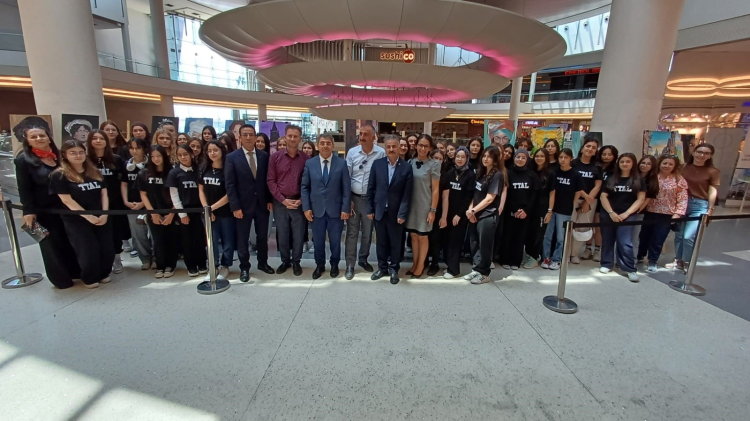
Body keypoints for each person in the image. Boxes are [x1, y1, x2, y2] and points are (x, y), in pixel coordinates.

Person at [14, 117, 81, 289]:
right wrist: (28, 211)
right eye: (34, 137)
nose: (39, 139)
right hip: (44, 210)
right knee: (51, 245)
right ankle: (61, 280)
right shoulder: (23, 160)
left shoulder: (59, 156)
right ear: (27, 140)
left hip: (66, 208)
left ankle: (76, 271)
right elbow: (24, 188)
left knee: (70, 241)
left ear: (48, 137)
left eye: (42, 135)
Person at [50, 139, 114, 288]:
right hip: (77, 219)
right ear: (65, 155)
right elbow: (66, 200)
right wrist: (88, 216)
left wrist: (104, 213)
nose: (78, 156)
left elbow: (104, 194)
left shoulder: (94, 171)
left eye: (80, 152)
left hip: (101, 216)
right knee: (87, 249)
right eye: (73, 153)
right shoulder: (59, 175)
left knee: (106, 247)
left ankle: (104, 273)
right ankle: (90, 277)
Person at [225, 124, 275, 282]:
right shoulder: (232, 157)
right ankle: (244, 267)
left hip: (262, 204)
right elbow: (230, 185)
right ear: (239, 137)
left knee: (262, 236)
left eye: (251, 134)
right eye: (245, 135)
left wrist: (269, 200)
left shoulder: (264, 156)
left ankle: (263, 263)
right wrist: (235, 206)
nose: (248, 137)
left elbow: (268, 180)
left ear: (255, 137)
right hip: (242, 206)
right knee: (242, 238)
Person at [302, 134, 351, 279]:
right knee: (318, 241)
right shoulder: (310, 163)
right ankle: (320, 265)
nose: (325, 146)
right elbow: (305, 187)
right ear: (318, 145)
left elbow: (346, 189)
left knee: (335, 241)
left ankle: (335, 264)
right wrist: (306, 207)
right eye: (322, 143)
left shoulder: (341, 163)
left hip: (336, 210)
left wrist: (345, 208)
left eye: (328, 143)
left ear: (332, 145)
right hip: (316, 210)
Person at [367, 135, 413, 285]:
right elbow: (371, 188)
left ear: (399, 148)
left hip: (396, 213)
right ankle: (382, 268)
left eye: (394, 146)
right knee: (381, 242)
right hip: (379, 211)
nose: (391, 149)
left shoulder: (406, 167)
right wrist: (370, 209)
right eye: (388, 147)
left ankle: (394, 269)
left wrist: (402, 213)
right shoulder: (377, 164)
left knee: (395, 243)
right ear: (385, 148)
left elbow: (407, 194)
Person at [668, 143, 720, 273]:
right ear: (693, 152)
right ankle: (678, 260)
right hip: (681, 203)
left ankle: (687, 261)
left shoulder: (713, 171)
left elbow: (712, 191)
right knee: (679, 235)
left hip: (699, 205)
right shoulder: (682, 167)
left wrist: (710, 209)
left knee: (688, 236)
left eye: (706, 153)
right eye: (699, 152)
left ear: (710, 156)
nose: (702, 155)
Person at [344, 124, 385, 280]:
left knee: (367, 233)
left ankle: (363, 259)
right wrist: (348, 199)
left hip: (370, 200)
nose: (362, 137)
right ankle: (350, 265)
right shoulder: (352, 152)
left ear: (373, 137)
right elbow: (346, 177)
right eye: (360, 134)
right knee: (352, 233)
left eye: (366, 134)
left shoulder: (381, 153)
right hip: (354, 199)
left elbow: (382, 179)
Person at [267, 125, 309, 276]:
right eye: (289, 136)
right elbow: (271, 181)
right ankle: (285, 261)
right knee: (282, 233)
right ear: (285, 137)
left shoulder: (306, 159)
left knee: (298, 234)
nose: (292, 139)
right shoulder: (275, 158)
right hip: (281, 202)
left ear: (300, 139)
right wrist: (282, 200)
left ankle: (296, 262)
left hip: (298, 202)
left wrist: (301, 200)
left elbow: (309, 182)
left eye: (295, 136)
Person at [599, 153, 646, 282]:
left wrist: (626, 213)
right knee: (607, 240)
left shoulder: (638, 179)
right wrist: (611, 213)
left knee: (625, 241)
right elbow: (603, 196)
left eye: (628, 161)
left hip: (628, 215)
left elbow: (640, 199)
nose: (625, 164)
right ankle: (606, 263)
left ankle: (630, 268)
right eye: (622, 161)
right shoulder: (611, 178)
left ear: (633, 163)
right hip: (609, 213)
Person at [87, 129, 129, 275]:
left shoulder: (116, 159)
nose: (98, 141)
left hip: (115, 201)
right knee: (99, 232)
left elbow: (123, 181)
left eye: (101, 138)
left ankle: (117, 258)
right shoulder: (86, 160)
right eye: (95, 138)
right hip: (94, 203)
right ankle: (103, 261)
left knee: (116, 232)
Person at [638, 155, 688, 272]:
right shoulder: (652, 176)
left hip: (667, 214)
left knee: (658, 238)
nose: (667, 166)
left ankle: (652, 260)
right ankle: (639, 256)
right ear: (659, 163)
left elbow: (683, 198)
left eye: (670, 164)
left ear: (674, 166)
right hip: (648, 211)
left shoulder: (678, 179)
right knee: (643, 236)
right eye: (665, 163)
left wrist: (678, 213)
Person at [464, 146, 506, 284]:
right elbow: (475, 194)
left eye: (489, 156)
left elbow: (490, 198)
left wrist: (473, 211)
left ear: (495, 159)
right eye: (484, 156)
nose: (485, 159)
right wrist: (471, 209)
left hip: (487, 215)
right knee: (474, 243)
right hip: (475, 214)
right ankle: (476, 269)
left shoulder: (497, 175)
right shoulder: (481, 173)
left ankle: (484, 273)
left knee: (485, 245)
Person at [167, 145, 208, 277]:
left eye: (185, 154)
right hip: (184, 211)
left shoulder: (199, 169)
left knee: (200, 239)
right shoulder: (174, 173)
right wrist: (182, 214)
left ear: (191, 154)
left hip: (199, 211)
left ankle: (202, 263)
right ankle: (191, 266)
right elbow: (174, 196)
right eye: (180, 155)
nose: (183, 157)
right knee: (187, 240)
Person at [138, 145, 178, 278]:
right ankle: (160, 265)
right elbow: (143, 195)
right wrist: (152, 213)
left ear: (164, 156)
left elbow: (177, 194)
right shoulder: (144, 173)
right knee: (158, 240)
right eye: (153, 156)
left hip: (171, 211)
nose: (156, 159)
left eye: (159, 156)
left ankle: (170, 265)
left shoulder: (172, 172)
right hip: (153, 212)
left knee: (171, 240)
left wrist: (172, 214)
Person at [405, 134, 441, 278]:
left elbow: (436, 190)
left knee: (422, 236)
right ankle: (415, 264)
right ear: (416, 146)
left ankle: (421, 266)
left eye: (426, 146)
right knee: (413, 235)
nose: (422, 148)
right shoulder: (410, 162)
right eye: (420, 145)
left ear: (430, 148)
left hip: (425, 205)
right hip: (412, 205)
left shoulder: (434, 164)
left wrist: (433, 210)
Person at [542, 149, 584, 270]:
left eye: (566, 157)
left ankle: (557, 259)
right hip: (551, 208)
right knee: (547, 235)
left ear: (571, 158)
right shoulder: (553, 172)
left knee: (561, 237)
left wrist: (571, 203)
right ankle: (546, 257)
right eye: (561, 157)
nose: (563, 160)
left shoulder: (575, 175)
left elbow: (578, 192)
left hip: (565, 210)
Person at [498, 149, 540, 270]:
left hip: (525, 212)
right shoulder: (508, 173)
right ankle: (505, 259)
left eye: (523, 157)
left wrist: (525, 210)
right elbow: (507, 194)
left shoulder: (532, 175)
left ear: (527, 160)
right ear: (514, 158)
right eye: (518, 157)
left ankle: (516, 261)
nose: (520, 160)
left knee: (520, 236)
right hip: (510, 210)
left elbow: (534, 195)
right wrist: (514, 209)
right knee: (508, 235)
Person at [199, 140, 235, 279]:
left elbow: (230, 193)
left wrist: (212, 208)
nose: (212, 153)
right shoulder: (204, 168)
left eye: (215, 150)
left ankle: (225, 266)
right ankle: (213, 267)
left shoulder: (228, 169)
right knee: (211, 241)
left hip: (225, 212)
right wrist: (207, 209)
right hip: (208, 212)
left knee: (227, 240)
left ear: (221, 151)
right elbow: (201, 190)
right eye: (209, 151)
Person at [439, 146, 475, 278]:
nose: (460, 159)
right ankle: (449, 265)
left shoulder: (470, 175)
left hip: (460, 215)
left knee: (455, 242)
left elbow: (468, 197)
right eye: (458, 156)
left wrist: (459, 214)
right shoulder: (450, 173)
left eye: (463, 157)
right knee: (446, 240)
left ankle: (454, 270)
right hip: (447, 212)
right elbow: (445, 195)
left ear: (467, 158)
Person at [121, 137, 153, 270]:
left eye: (138, 148)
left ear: (144, 149)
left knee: (154, 233)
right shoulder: (126, 165)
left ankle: (157, 258)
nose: (134, 151)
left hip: (150, 203)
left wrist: (143, 203)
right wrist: (125, 201)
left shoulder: (151, 163)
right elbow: (124, 184)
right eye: (131, 148)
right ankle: (145, 258)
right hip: (132, 204)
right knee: (138, 234)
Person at [569, 138, 602, 263]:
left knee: (581, 228)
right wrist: (584, 195)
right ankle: (565, 253)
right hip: (573, 199)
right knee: (569, 226)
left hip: (590, 202)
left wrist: (587, 201)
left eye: (594, 147)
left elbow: (598, 185)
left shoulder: (597, 167)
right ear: (582, 148)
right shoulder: (573, 163)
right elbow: (572, 181)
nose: (590, 149)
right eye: (588, 146)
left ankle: (574, 254)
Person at [585, 145, 619, 262]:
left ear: (614, 156)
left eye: (609, 154)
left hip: (605, 200)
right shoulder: (595, 166)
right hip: (591, 198)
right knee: (588, 224)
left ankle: (597, 249)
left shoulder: (615, 170)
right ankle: (587, 248)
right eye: (604, 154)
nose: (606, 157)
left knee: (598, 226)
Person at [523, 148, 554, 269]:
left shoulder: (550, 173)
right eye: (537, 156)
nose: (539, 158)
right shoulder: (530, 171)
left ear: (546, 158)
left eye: (542, 156)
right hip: (530, 206)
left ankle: (535, 257)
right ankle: (528, 255)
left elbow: (552, 193)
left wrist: (550, 211)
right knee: (529, 232)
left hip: (542, 208)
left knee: (538, 233)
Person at [632, 155, 659, 253]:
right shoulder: (632, 176)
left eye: (648, 164)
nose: (644, 165)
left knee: (634, 237)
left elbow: (647, 199)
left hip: (638, 212)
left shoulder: (652, 181)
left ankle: (633, 259)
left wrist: (636, 211)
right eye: (643, 163)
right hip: (624, 209)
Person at [425, 148, 446, 275]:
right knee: (424, 236)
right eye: (435, 158)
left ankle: (435, 263)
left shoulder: (446, 175)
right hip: (424, 208)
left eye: (440, 159)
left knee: (435, 238)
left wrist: (443, 215)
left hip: (438, 210)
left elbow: (445, 197)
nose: (438, 161)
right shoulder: (426, 171)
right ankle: (424, 261)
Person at [301, 140, 318, 252]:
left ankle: (315, 242)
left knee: (316, 222)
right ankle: (304, 242)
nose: (306, 150)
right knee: (303, 222)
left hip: (315, 196)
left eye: (309, 148)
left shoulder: (316, 162)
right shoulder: (299, 161)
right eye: (304, 148)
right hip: (303, 195)